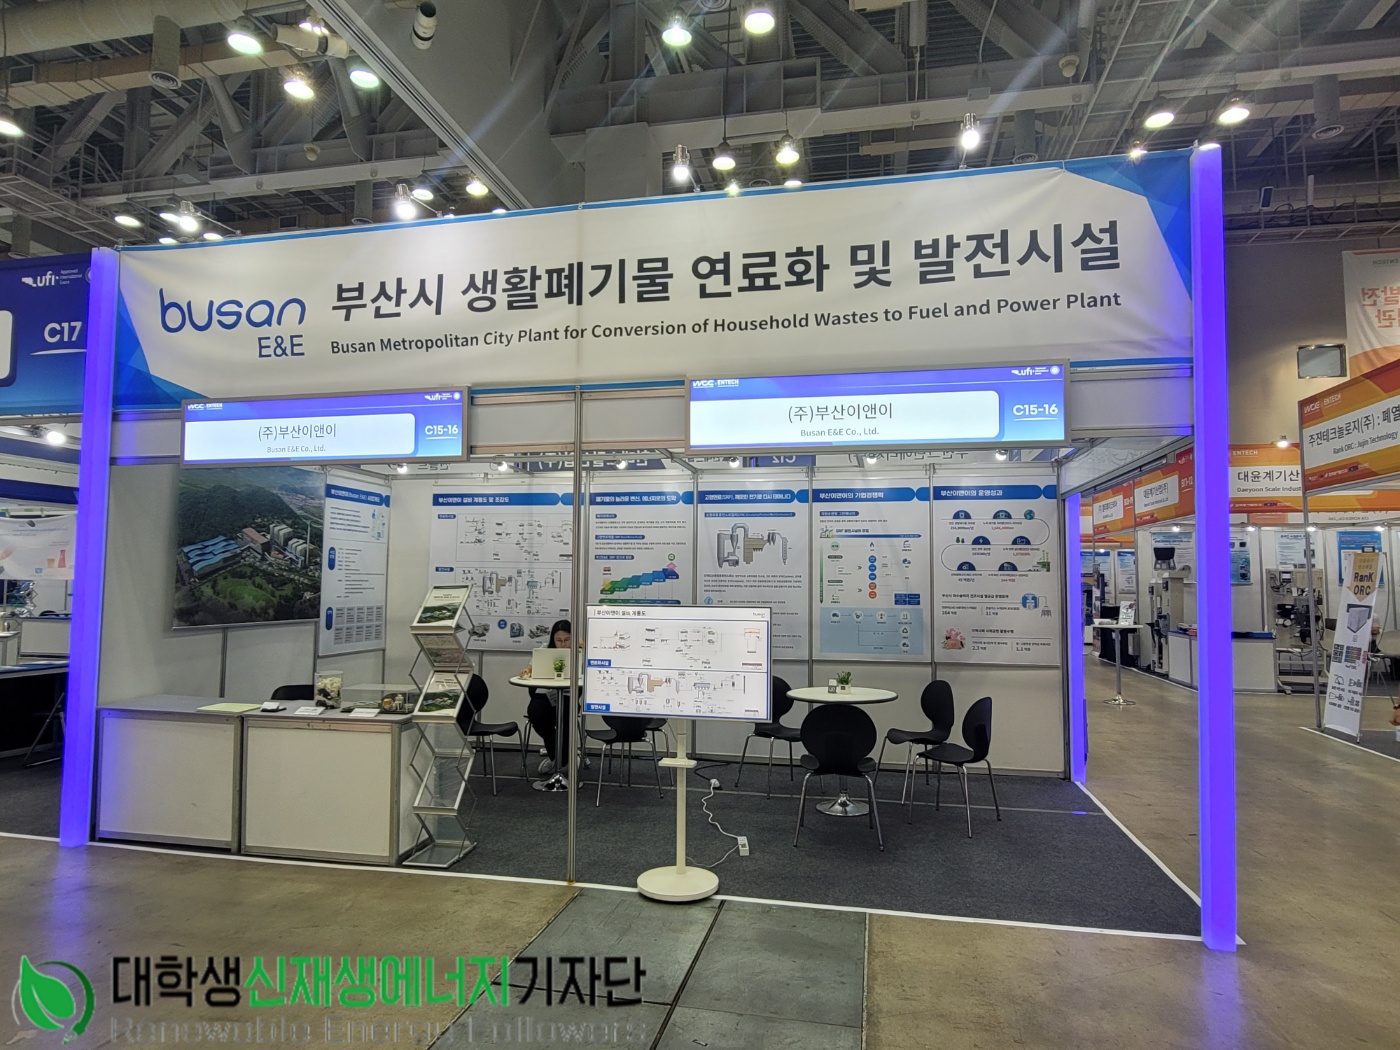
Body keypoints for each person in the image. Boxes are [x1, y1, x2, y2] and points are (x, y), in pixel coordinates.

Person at [525, 619, 574, 776]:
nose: (563, 644)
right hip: (545, 694)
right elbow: (531, 668)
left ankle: (563, 759)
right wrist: (527, 671)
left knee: (566, 716)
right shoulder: (544, 649)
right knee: (535, 713)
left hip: (568, 695)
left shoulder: (578, 651)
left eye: (567, 640)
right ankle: (557, 756)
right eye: (558, 640)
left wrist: (581, 645)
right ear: (553, 639)